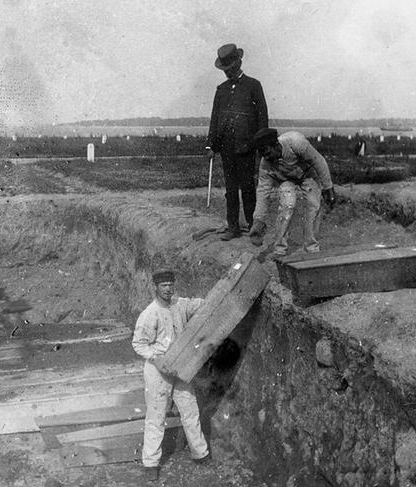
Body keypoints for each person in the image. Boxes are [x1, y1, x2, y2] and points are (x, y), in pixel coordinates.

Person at [132, 270, 210, 481]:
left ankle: (200, 454)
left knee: (190, 409)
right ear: (155, 288)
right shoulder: (150, 313)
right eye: (163, 285)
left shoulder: (179, 304)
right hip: (159, 371)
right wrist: (157, 360)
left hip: (181, 367)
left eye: (170, 284)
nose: (167, 288)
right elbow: (138, 344)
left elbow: (200, 304)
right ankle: (150, 463)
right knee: (156, 416)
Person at [205, 43, 268, 241]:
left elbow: (262, 117)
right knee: (231, 189)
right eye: (224, 70)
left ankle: (253, 228)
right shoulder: (221, 90)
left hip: (246, 146)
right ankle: (233, 227)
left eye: (229, 68)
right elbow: (215, 118)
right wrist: (210, 145)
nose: (227, 73)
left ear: (239, 63)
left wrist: (261, 143)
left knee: (248, 188)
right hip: (226, 147)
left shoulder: (253, 85)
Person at [248, 128, 336, 257]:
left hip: (307, 174)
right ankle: (279, 249)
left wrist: (328, 187)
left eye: (267, 152)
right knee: (287, 205)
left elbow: (319, 161)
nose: (265, 157)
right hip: (285, 179)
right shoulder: (265, 164)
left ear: (276, 145)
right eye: (261, 154)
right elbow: (263, 191)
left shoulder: (296, 143)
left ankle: (311, 248)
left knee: (314, 205)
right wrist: (258, 220)